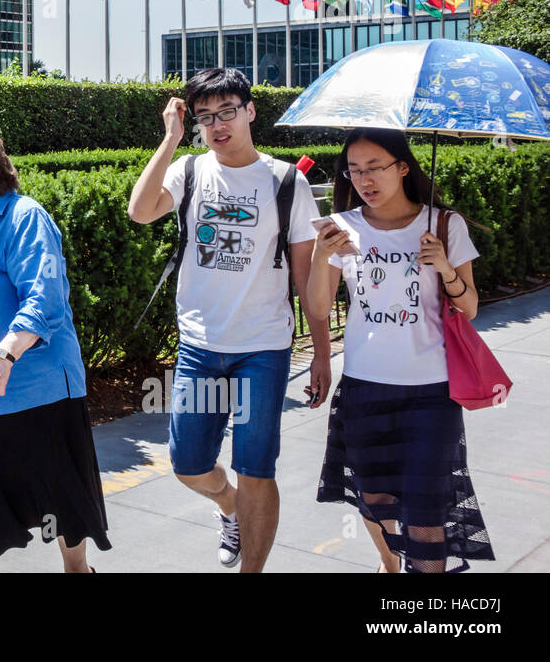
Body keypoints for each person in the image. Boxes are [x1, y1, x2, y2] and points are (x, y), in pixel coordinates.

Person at [128, 67, 325, 572]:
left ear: (250, 111)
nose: (217, 125)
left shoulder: (286, 180)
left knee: (257, 468)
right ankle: (231, 507)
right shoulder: (190, 171)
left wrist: (322, 352)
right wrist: (171, 139)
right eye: (204, 117)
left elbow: (305, 277)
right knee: (189, 465)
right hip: (200, 344)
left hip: (263, 347)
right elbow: (140, 210)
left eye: (227, 112)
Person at [307, 127, 494, 573]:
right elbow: (316, 307)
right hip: (365, 387)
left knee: (427, 511)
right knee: (374, 496)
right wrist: (319, 254)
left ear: (403, 167)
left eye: (375, 168)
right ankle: (392, 566)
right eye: (354, 171)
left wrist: (445, 266)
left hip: (430, 391)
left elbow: (468, 308)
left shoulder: (444, 225)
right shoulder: (343, 229)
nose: (364, 180)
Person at [0, 127, 111, 572]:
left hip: (40, 393)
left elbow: (43, 297)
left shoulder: (25, 218)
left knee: (67, 517)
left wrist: (4, 354)